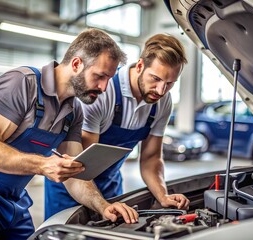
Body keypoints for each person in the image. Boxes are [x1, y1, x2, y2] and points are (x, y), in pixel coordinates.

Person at [0, 28, 139, 240]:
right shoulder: (21, 84)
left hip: (14, 196)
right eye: (99, 76)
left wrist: (103, 206)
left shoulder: (74, 113)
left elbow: (75, 173)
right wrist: (43, 165)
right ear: (76, 64)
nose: (103, 87)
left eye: (109, 79)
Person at [45, 33, 190, 219]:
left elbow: (151, 158)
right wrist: (101, 204)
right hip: (72, 182)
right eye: (155, 79)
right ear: (139, 66)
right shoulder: (102, 93)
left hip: (110, 182)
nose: (161, 90)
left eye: (169, 83)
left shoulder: (163, 102)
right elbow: (84, 163)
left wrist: (163, 195)